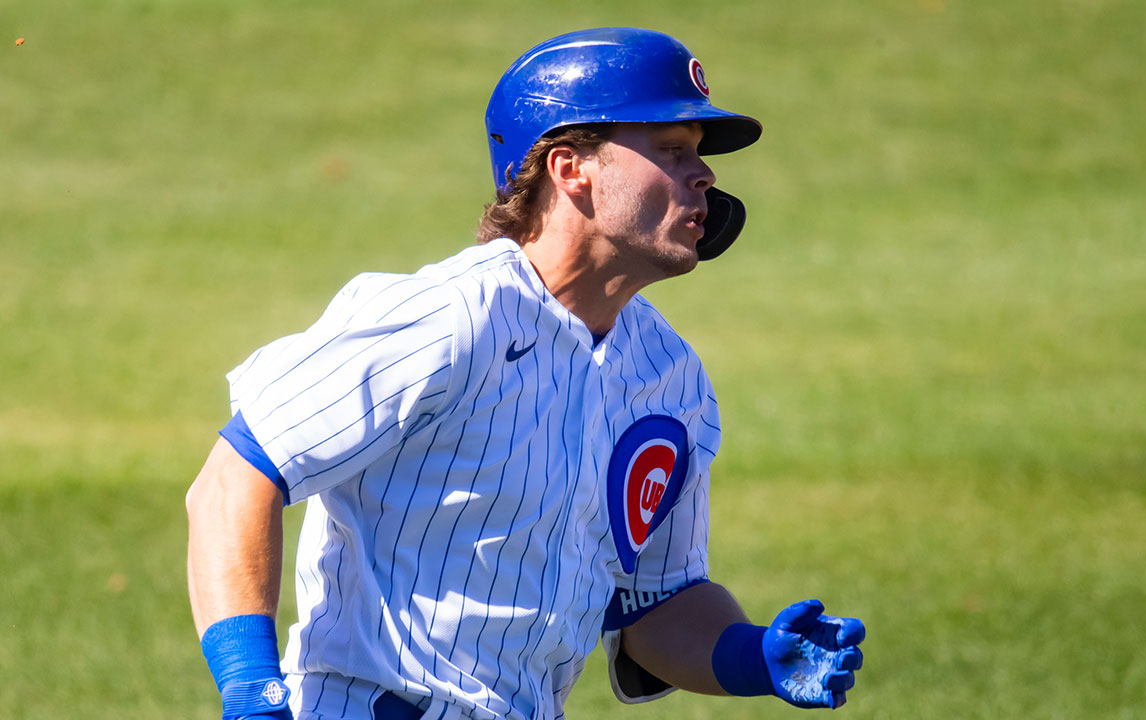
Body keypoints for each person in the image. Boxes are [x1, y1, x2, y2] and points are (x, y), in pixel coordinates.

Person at [186, 27, 865, 720]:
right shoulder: (448, 321)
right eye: (672, 151)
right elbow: (235, 478)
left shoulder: (672, 382)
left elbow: (655, 607)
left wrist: (755, 656)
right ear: (571, 170)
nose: (705, 176)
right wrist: (250, 684)